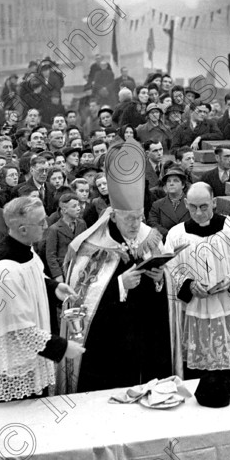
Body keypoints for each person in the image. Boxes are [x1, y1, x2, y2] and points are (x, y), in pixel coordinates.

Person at [59, 140, 182, 393]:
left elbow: (165, 294)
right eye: (129, 219)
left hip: (146, 338)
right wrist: (119, 285)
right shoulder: (93, 246)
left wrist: (159, 279)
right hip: (108, 343)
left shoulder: (149, 238)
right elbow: (81, 300)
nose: (136, 225)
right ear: (113, 216)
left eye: (139, 218)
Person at [0, 196, 85, 403]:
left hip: (28, 355)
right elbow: (18, 329)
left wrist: (54, 287)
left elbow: (35, 276)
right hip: (12, 364)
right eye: (41, 222)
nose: (46, 225)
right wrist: (62, 347)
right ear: (23, 229)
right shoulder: (5, 269)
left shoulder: (24, 248)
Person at [164, 182, 230, 410]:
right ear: (186, 205)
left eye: (204, 206)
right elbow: (170, 270)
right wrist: (188, 285)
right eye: (193, 207)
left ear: (215, 203)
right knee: (199, 382)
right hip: (197, 316)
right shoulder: (176, 235)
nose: (198, 213)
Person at [45, 192, 87, 281]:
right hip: (64, 271)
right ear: (64, 210)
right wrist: (57, 275)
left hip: (80, 269)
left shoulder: (82, 224)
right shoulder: (54, 229)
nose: (79, 208)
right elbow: (51, 255)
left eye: (79, 205)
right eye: (74, 206)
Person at [147, 167, 190, 237]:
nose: (171, 184)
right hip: (165, 242)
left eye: (175, 181)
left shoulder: (191, 203)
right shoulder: (157, 205)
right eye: (168, 181)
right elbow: (152, 223)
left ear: (183, 185)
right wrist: (170, 235)